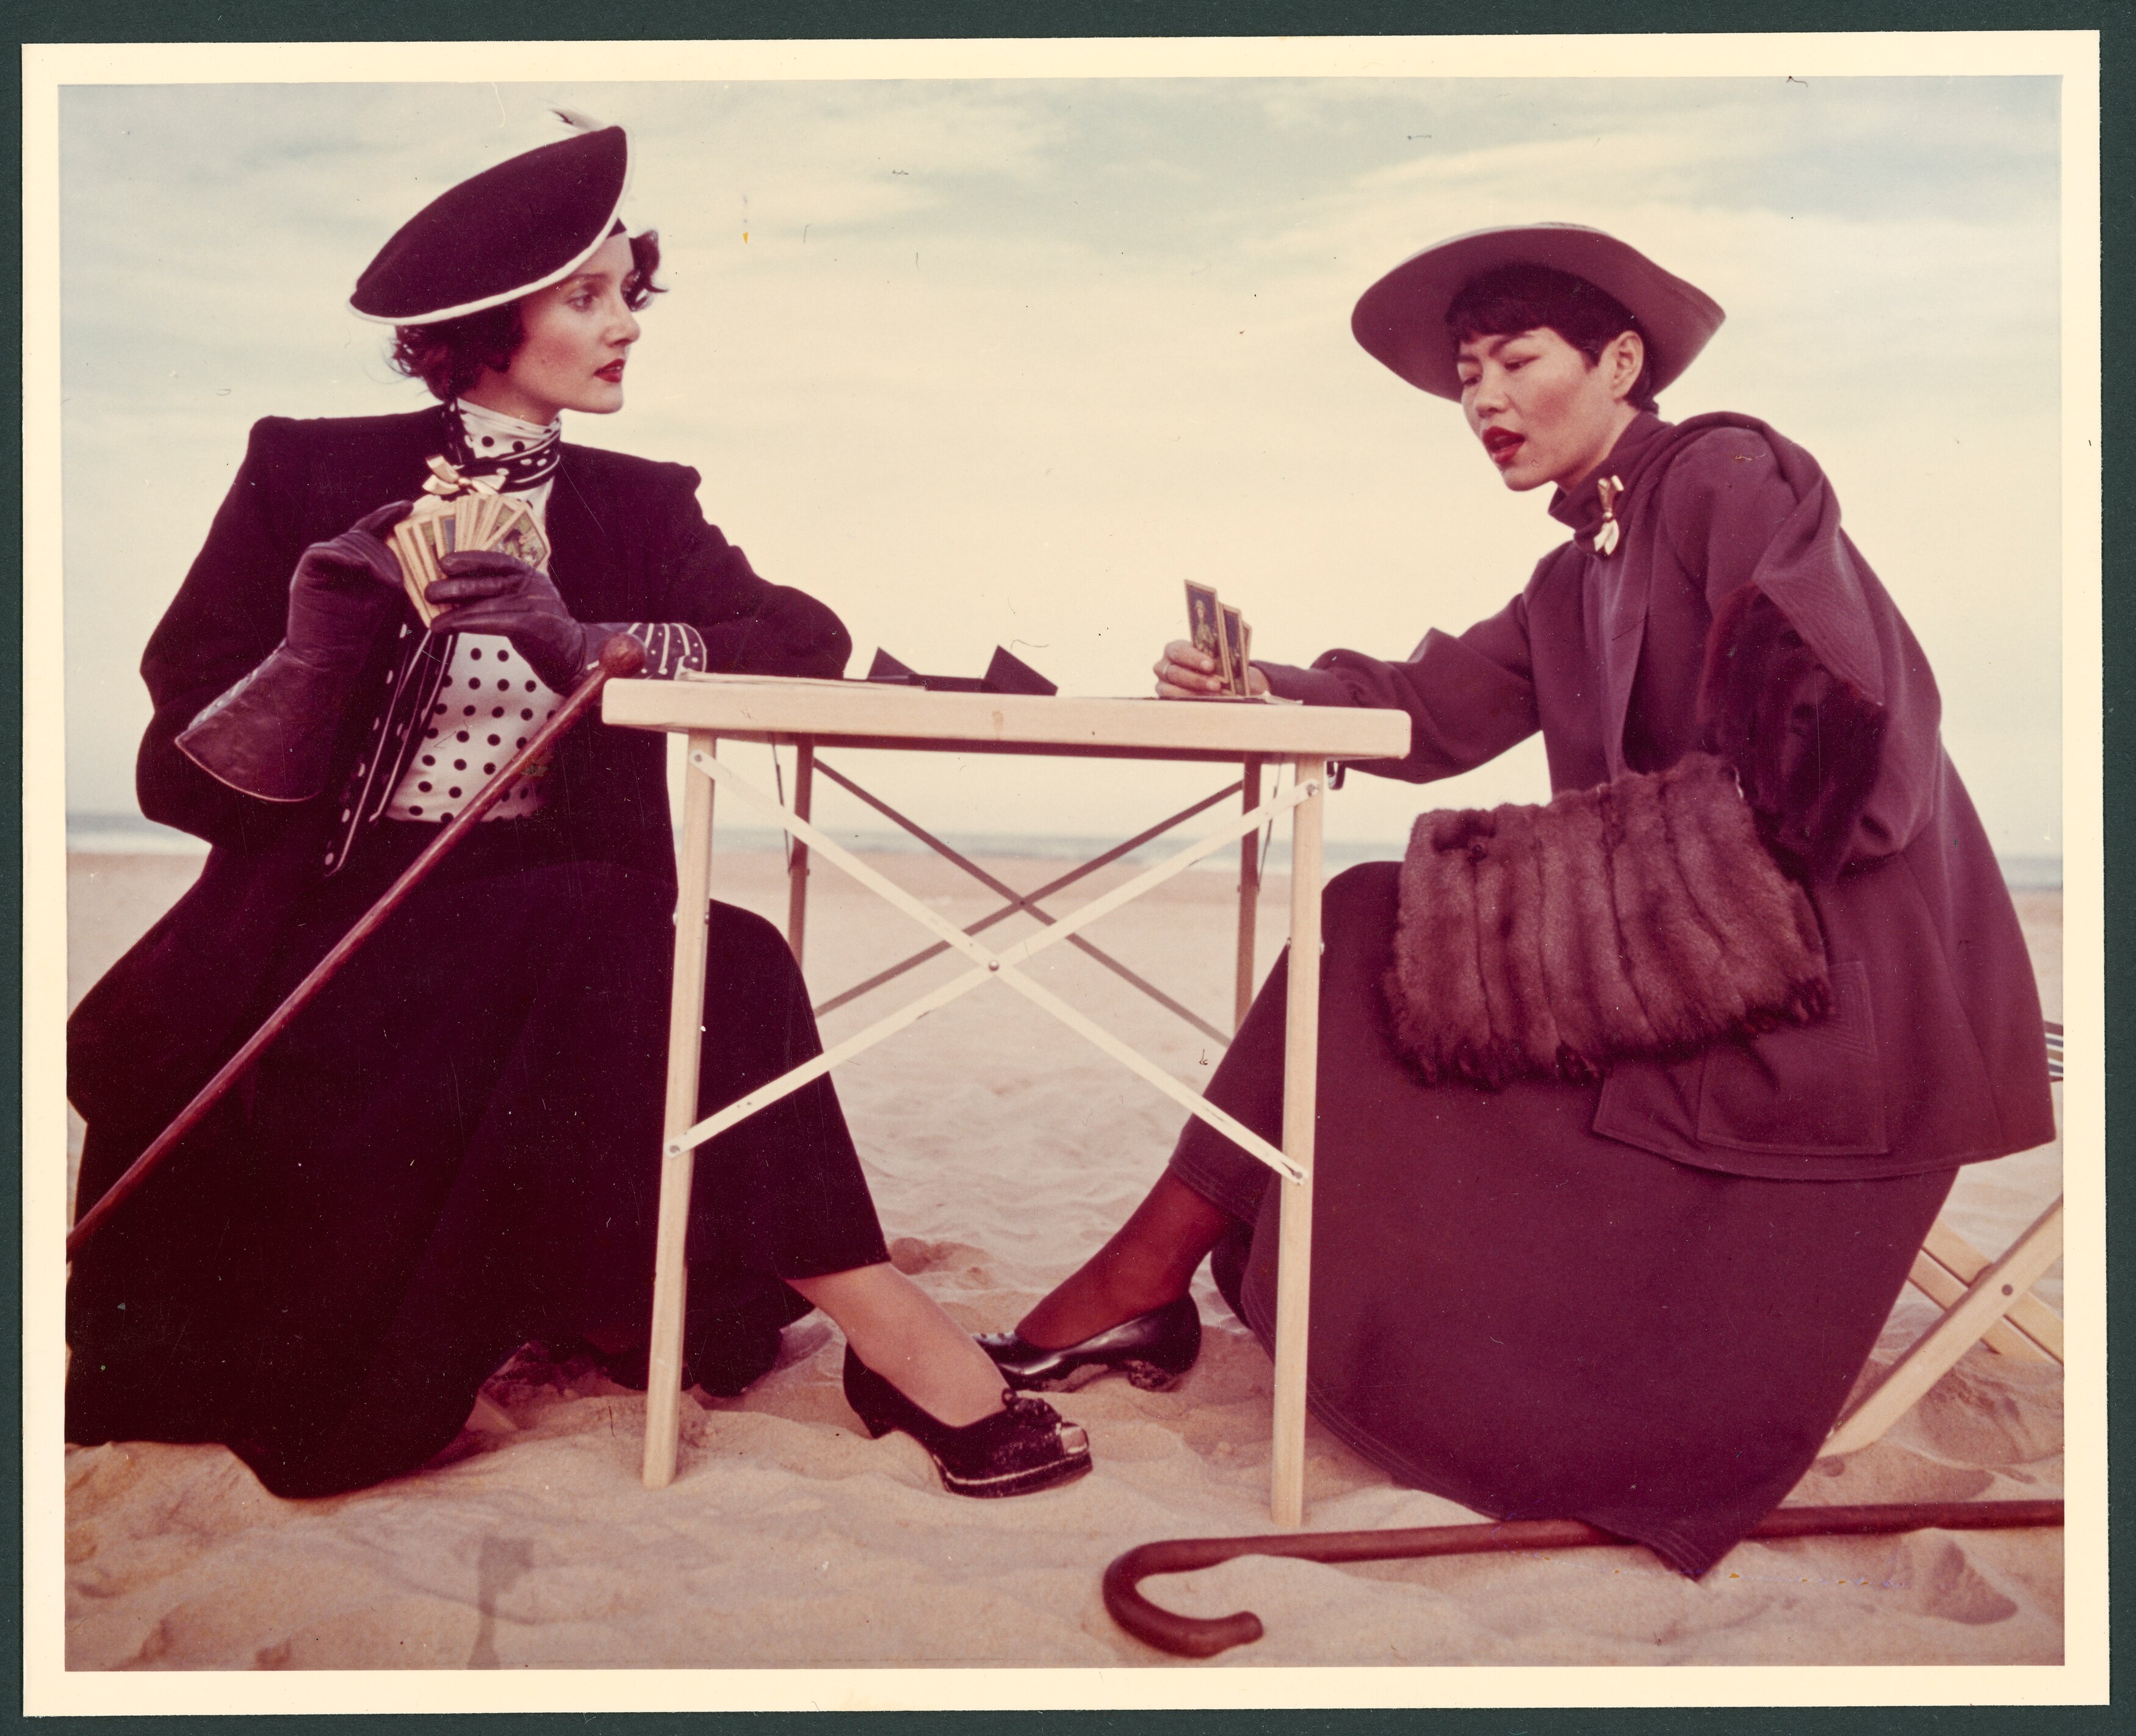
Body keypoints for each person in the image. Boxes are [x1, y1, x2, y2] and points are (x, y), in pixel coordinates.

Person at [978, 224, 2055, 1572]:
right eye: (1466, 376)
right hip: (1696, 973)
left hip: (1838, 997)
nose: (1482, 399)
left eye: (1515, 362)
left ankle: (1141, 1277)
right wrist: (1260, 688)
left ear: (1620, 364)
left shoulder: (1724, 472)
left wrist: (1602, 896)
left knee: (1372, 920)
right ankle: (1147, 1276)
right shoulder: (1575, 569)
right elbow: (1429, 708)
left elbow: (1848, 751)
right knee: (1367, 927)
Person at [65, 117, 1090, 1502]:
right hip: (324, 954)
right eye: (588, 297)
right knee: (688, 941)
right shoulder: (306, 469)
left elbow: (803, 642)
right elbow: (184, 780)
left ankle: (881, 1328)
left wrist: (590, 643)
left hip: (557, 951)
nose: (627, 326)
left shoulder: (641, 503)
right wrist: (316, 644)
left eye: (630, 293)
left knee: (674, 938)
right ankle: (892, 1335)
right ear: (486, 326)